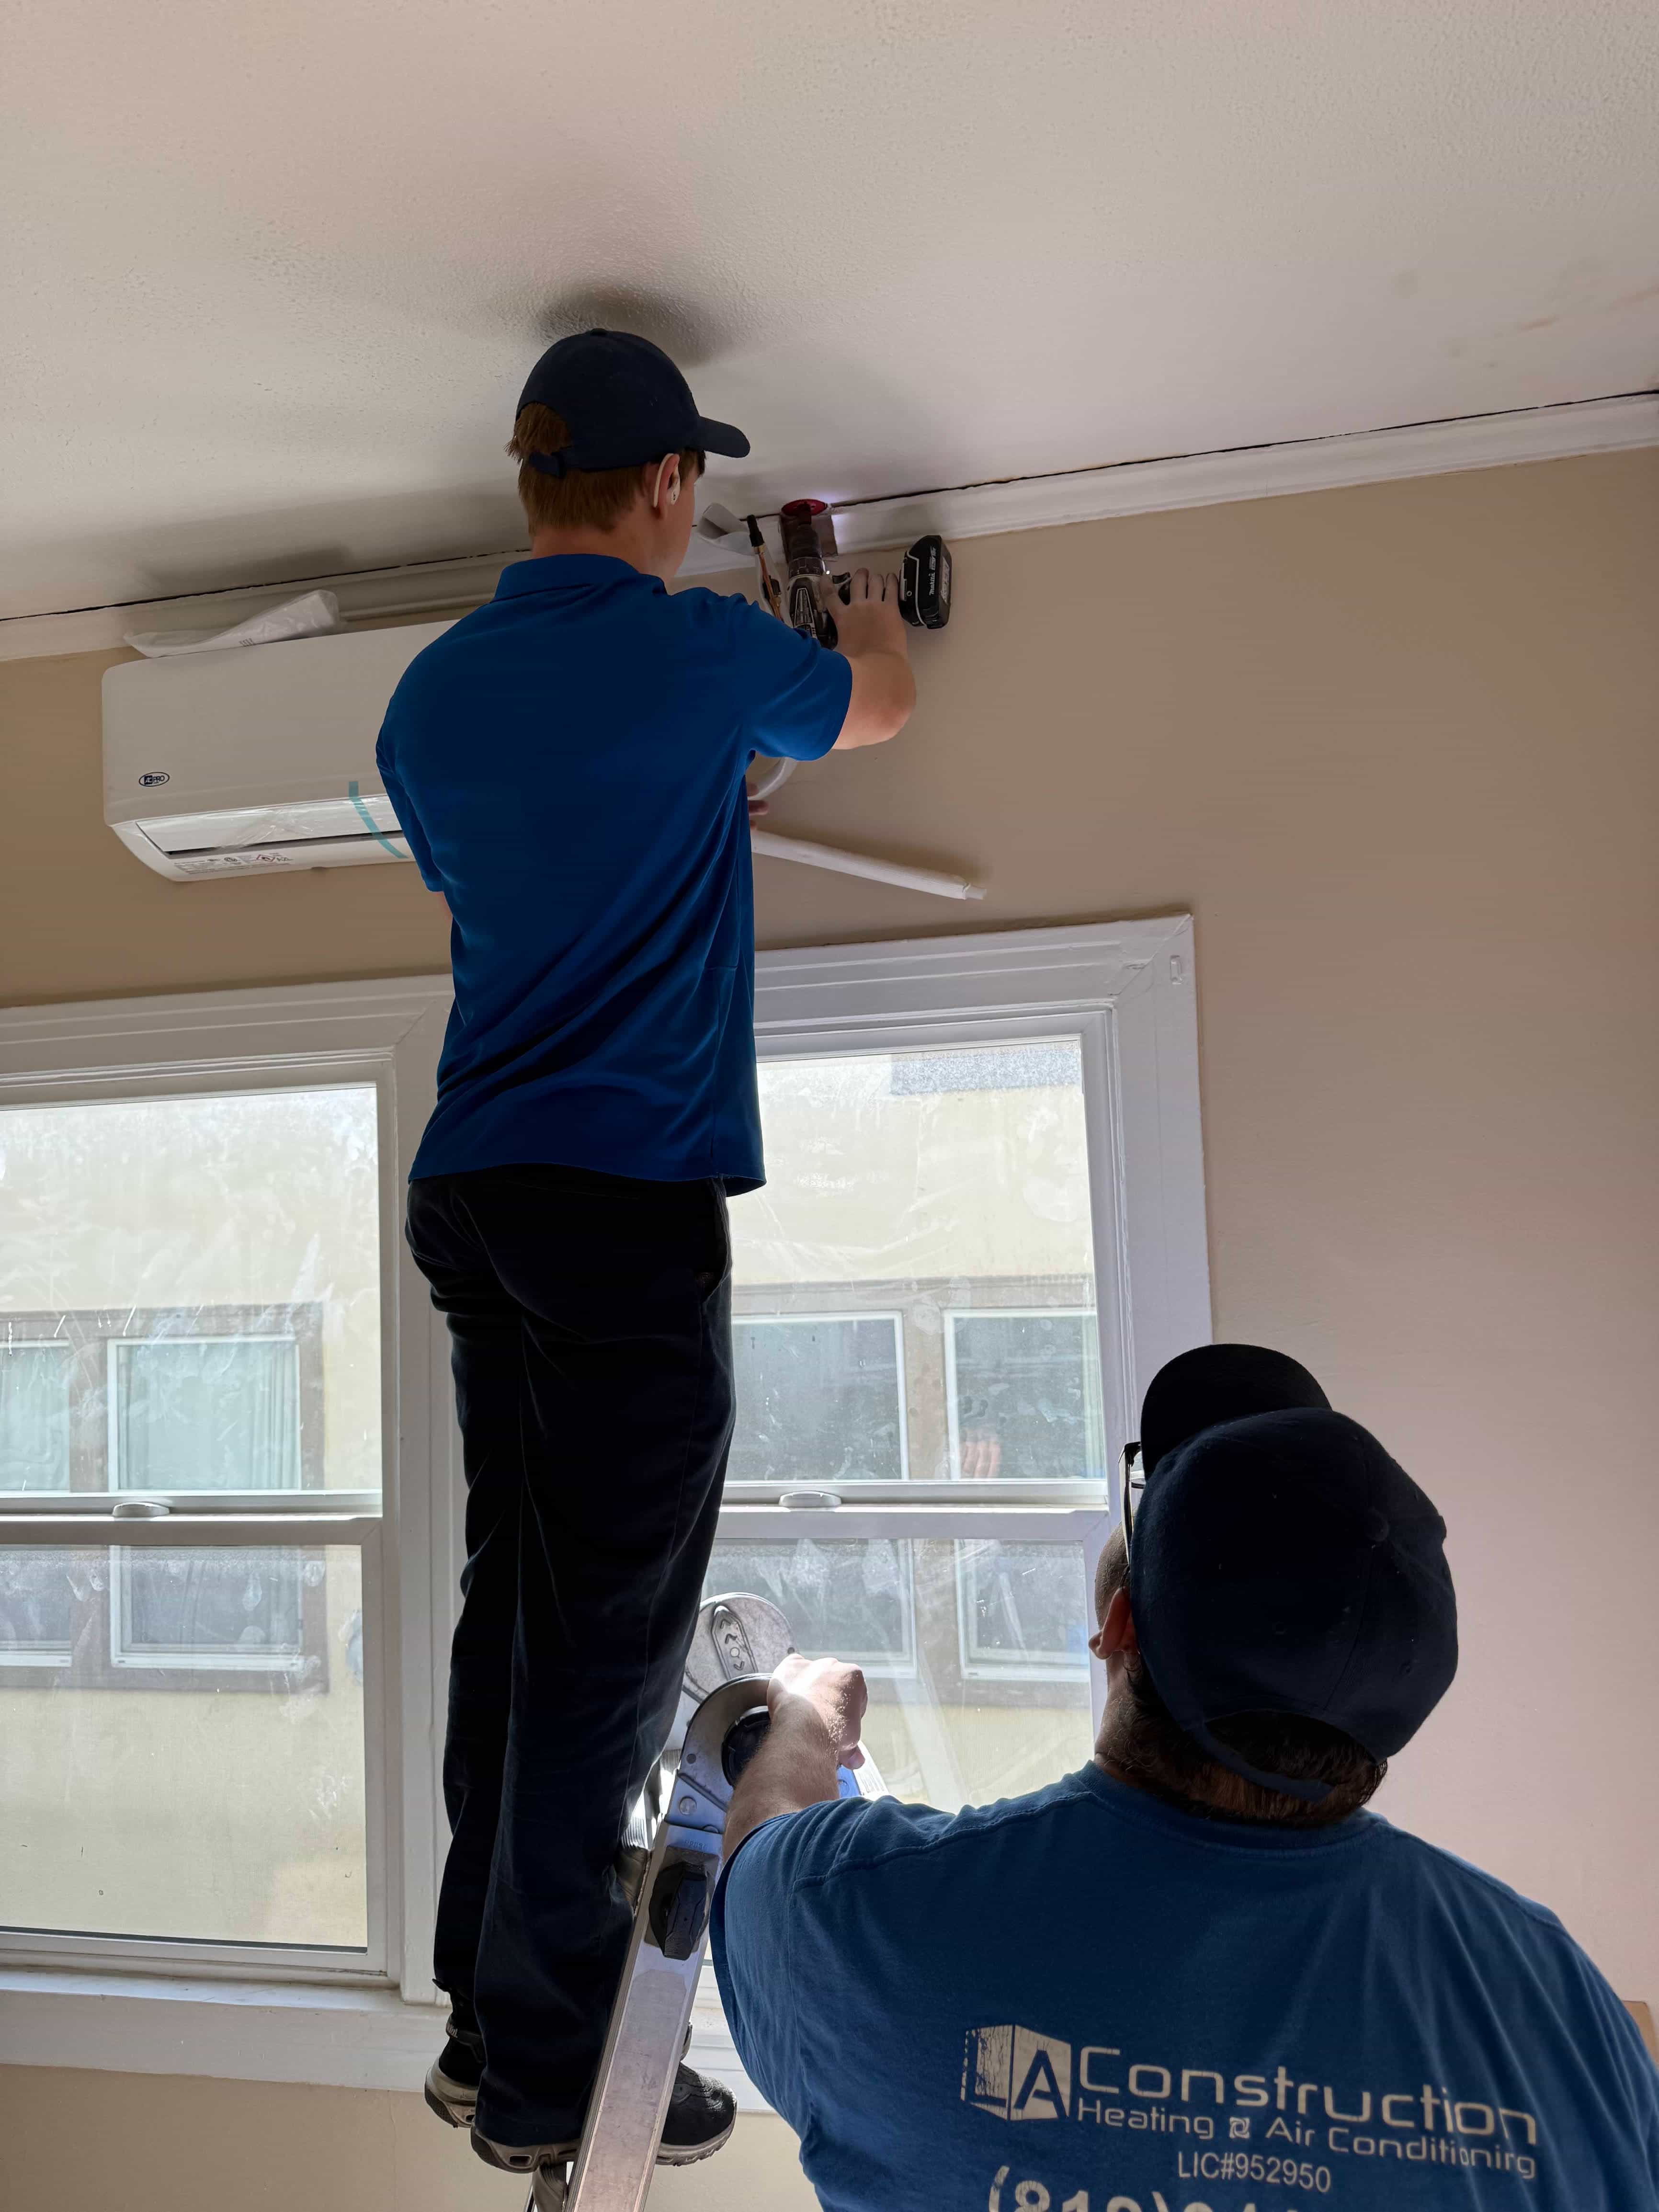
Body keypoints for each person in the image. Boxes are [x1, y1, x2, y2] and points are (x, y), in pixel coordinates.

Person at [375, 327, 915, 2177]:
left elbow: (518, 875)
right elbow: (880, 705)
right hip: (616, 1204)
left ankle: (484, 2012)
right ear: (671, 486)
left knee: (517, 1620)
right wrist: (838, 598)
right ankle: (538, 2057)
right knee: (599, 1654)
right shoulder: (698, 653)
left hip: (481, 1187)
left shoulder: (430, 694)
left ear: (533, 486)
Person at [714, 1343, 1659, 2212]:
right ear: (1401, 1707)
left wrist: (805, 1712)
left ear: (1118, 1627)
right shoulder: (1553, 1999)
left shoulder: (856, 1915)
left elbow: (757, 1840)